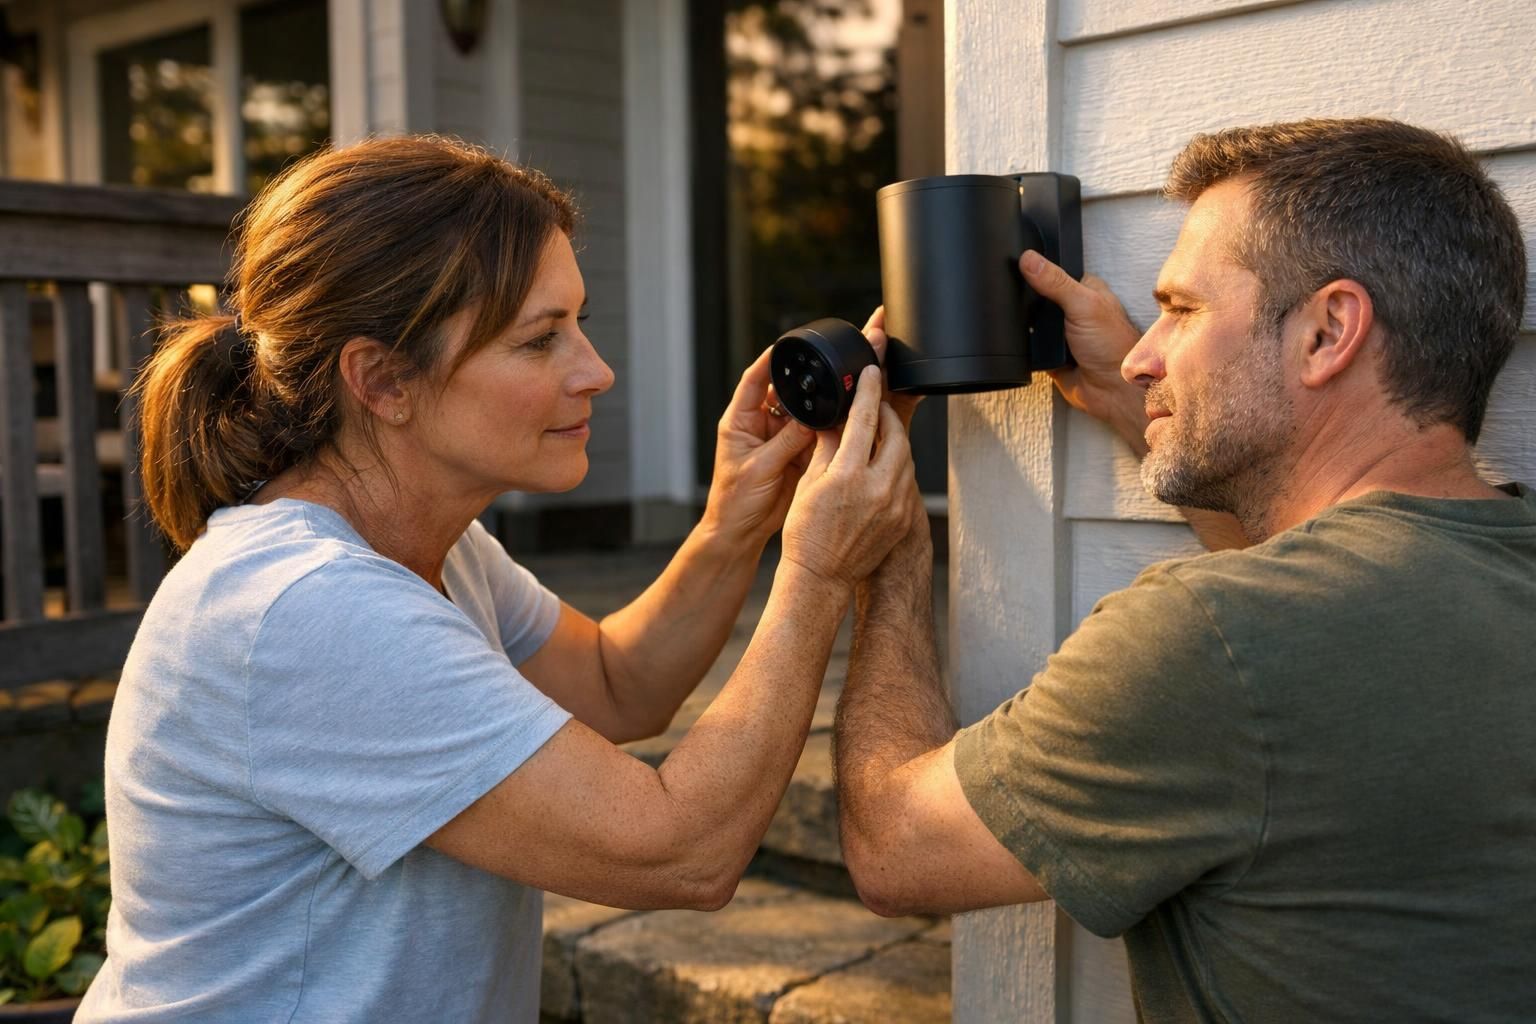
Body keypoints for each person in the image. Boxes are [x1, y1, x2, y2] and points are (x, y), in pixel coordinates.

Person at [78, 136, 919, 1022]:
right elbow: (679, 848)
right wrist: (819, 566)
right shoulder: (306, 608)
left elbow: (615, 684)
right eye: (539, 340)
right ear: (382, 379)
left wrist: (733, 522)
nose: (595, 372)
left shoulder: (432, 548)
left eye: (579, 324)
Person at [834, 117, 1534, 1021]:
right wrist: (1147, 407)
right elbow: (1320, 622)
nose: (1140, 353)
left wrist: (885, 550)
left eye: (1183, 310)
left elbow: (894, 850)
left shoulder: (1213, 642)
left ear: (1329, 331)